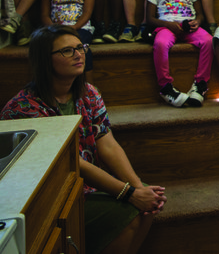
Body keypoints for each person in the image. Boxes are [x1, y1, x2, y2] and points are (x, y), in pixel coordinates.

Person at [1, 25, 167, 254]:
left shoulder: (89, 93)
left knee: (148, 203)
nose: (79, 55)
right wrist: (128, 193)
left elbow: (107, 143)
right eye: (67, 51)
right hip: (51, 195)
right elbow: (71, 163)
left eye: (80, 48)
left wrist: (137, 188)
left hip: (87, 186)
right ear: (44, 60)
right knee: (128, 211)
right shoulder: (25, 108)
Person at [145, 0, 213, 108]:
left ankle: (200, 84)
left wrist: (197, 21)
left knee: (209, 41)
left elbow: (200, 14)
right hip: (166, 27)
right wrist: (168, 25)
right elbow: (150, 19)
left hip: (188, 27)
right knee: (161, 43)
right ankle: (165, 87)